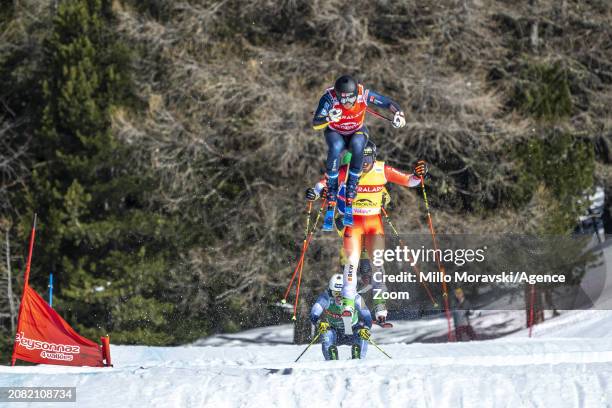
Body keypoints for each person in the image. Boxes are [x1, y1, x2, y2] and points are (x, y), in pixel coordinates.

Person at [305, 141, 427, 321]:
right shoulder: (347, 171)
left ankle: (379, 304)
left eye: (368, 159)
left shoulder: (381, 170)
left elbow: (410, 181)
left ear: (374, 158)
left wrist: (418, 175)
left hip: (373, 224)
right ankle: (347, 303)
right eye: (361, 159)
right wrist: (315, 193)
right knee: (350, 264)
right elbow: (324, 183)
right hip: (352, 223)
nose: (364, 164)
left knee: (377, 264)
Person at [312, 75, 406, 229]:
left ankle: (351, 189)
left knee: (358, 145)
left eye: (350, 99)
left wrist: (399, 114)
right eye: (343, 100)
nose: (347, 103)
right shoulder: (329, 98)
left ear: (356, 94)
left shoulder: (364, 94)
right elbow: (316, 123)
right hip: (336, 133)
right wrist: (328, 117)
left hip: (356, 131)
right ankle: (332, 193)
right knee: (335, 147)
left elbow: (388, 103)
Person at [310, 274, 373, 360]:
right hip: (334, 331)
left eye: (343, 294)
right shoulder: (325, 297)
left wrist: (366, 328)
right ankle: (330, 359)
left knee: (363, 333)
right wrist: (319, 323)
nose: (339, 297)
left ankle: (359, 359)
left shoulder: (357, 298)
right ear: (330, 291)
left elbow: (367, 317)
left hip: (352, 329)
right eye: (336, 293)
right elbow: (314, 313)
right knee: (325, 333)